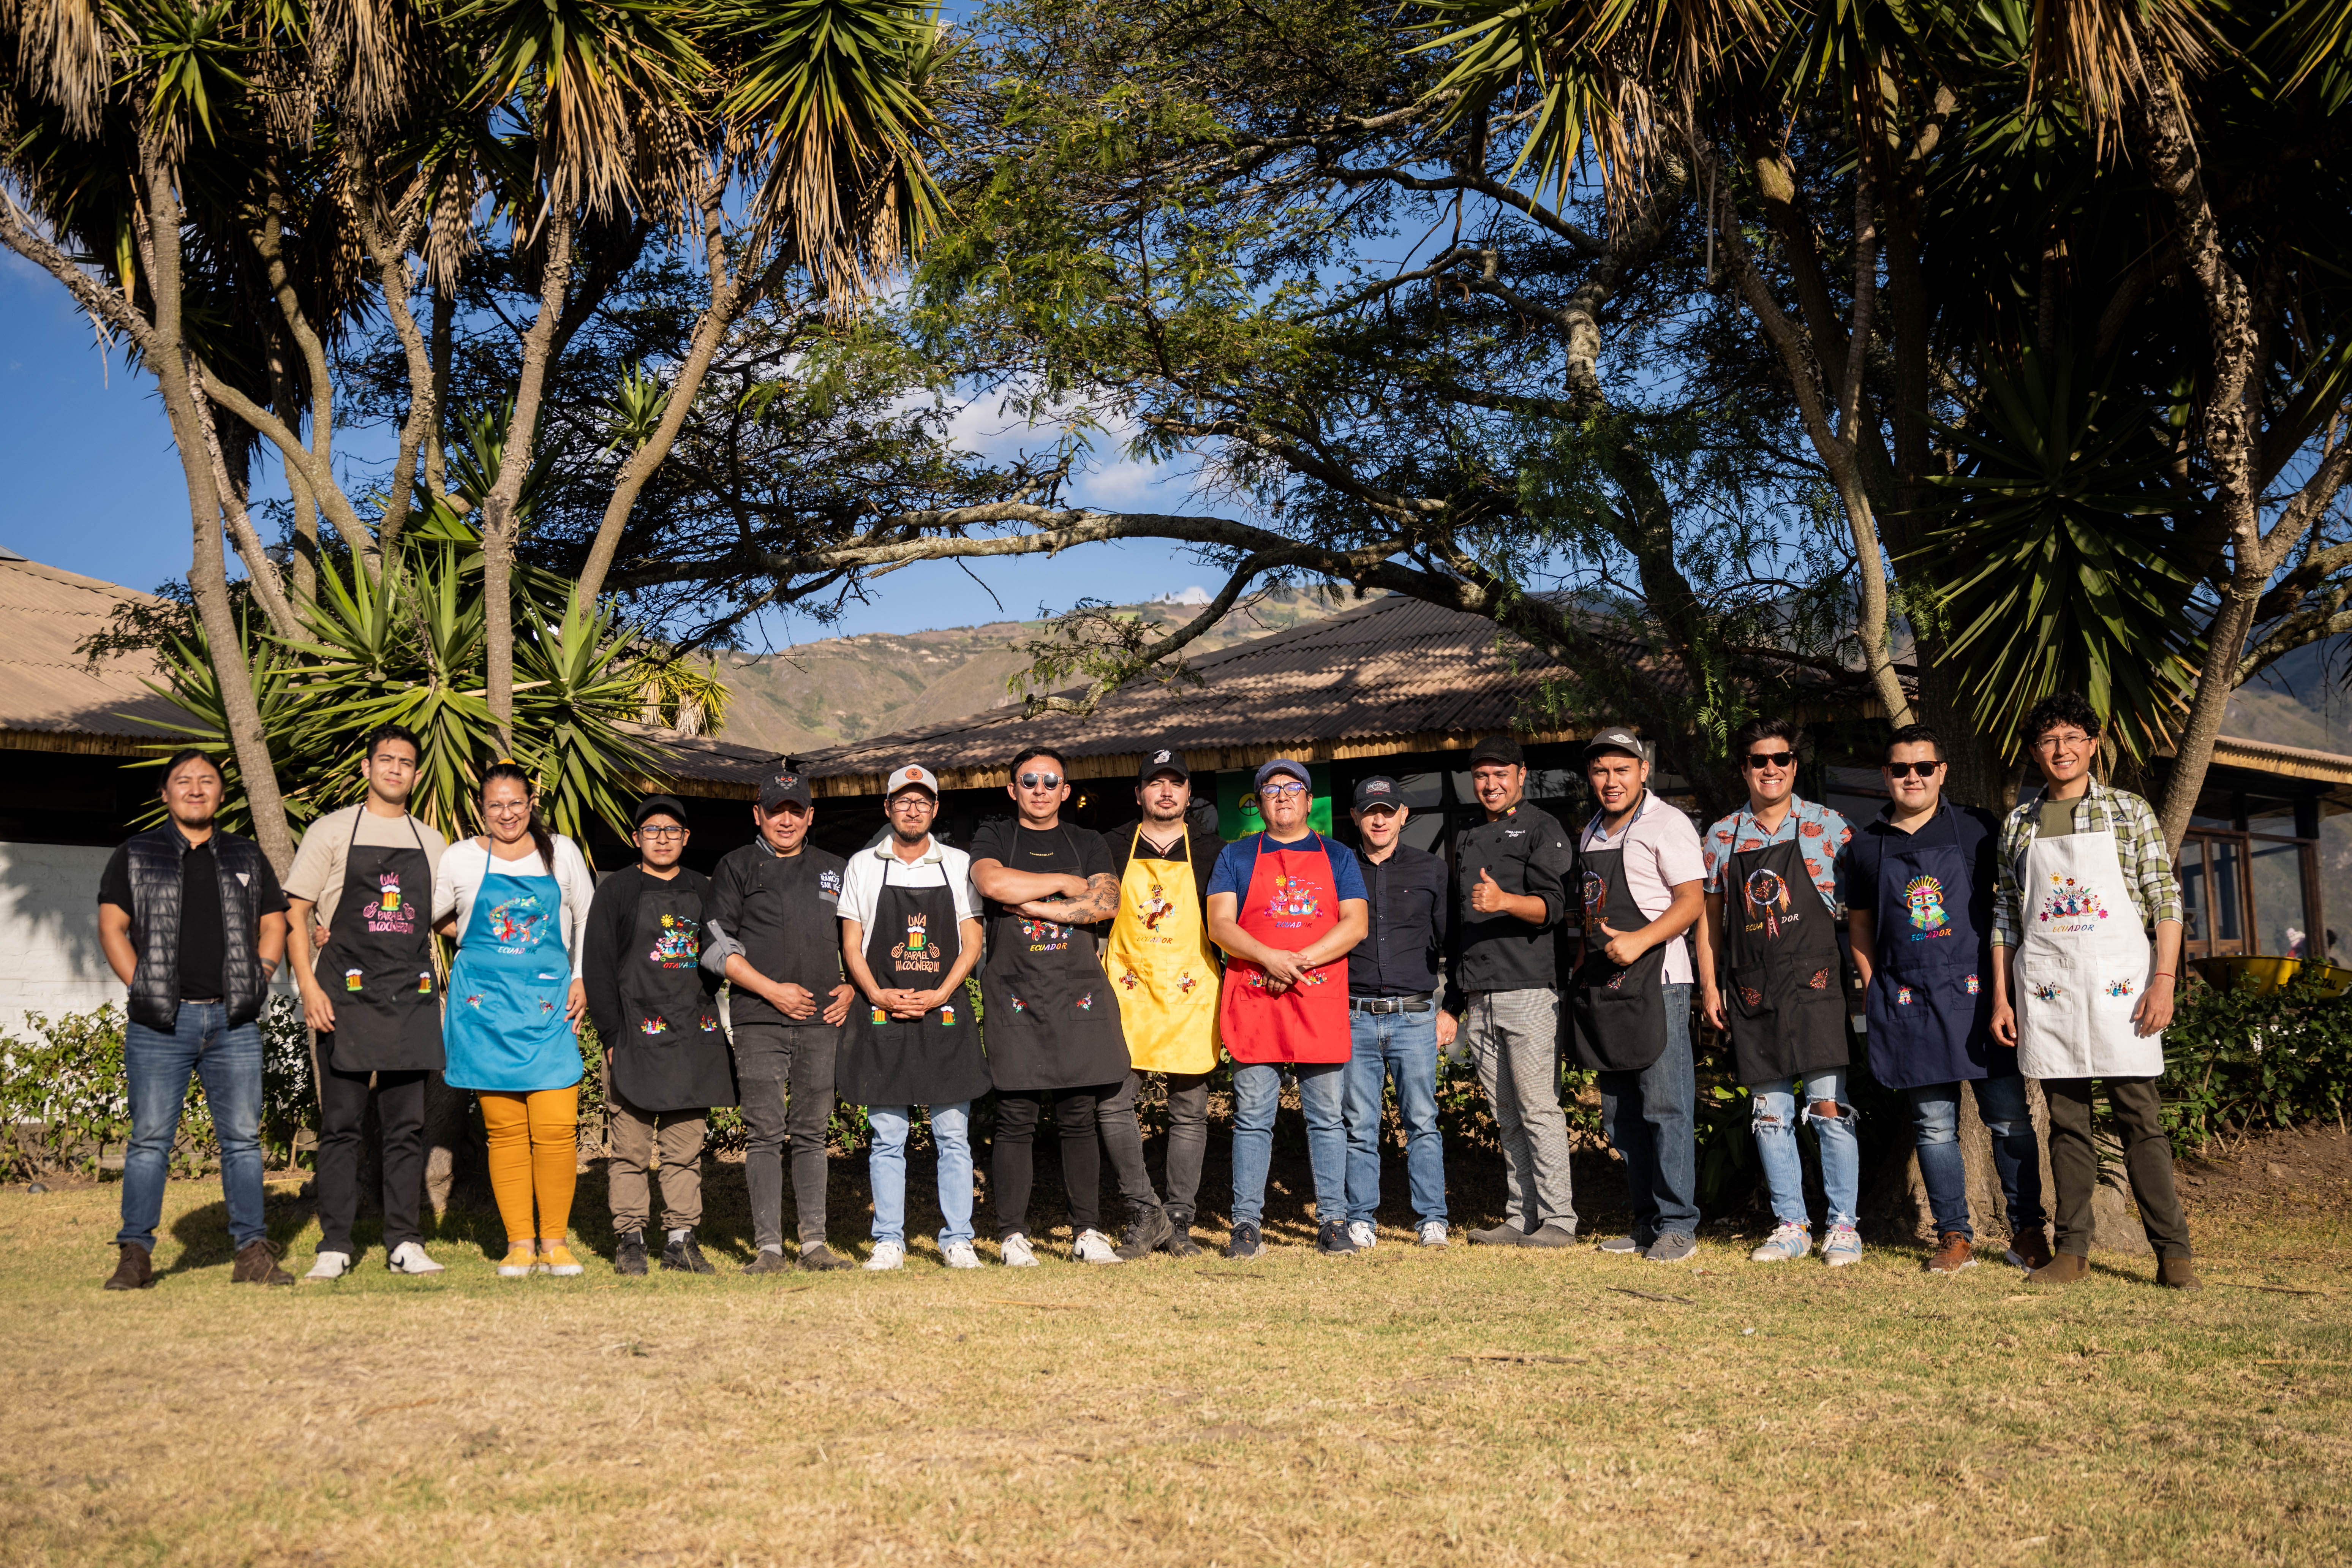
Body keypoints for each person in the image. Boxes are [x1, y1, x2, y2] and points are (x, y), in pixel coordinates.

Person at [1990, 693, 2197, 1288]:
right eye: (2048, 740)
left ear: (2093, 743)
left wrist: (2164, 981)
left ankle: (2174, 1255)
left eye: (2072, 737)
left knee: (2140, 1119)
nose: (2061, 750)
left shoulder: (2128, 811)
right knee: (2066, 1122)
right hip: (2049, 988)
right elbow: (2005, 916)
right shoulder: (2019, 824)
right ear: (2036, 752)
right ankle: (2073, 1253)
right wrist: (2003, 997)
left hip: (2122, 989)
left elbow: (2165, 898)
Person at [1847, 725, 2051, 1274]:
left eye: (1923, 768)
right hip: (1909, 1003)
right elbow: (1860, 927)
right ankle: (1954, 1235)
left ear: (1942, 772)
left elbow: (2010, 906)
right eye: (1900, 769)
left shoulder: (1978, 828)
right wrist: (1874, 986)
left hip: (1981, 998)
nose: (1912, 778)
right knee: (1933, 1126)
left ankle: (2028, 1232)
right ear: (1886, 775)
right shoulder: (1865, 846)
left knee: (2010, 1119)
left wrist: (2009, 990)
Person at [97, 748, 292, 1290]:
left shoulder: (247, 855)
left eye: (207, 780)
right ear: (165, 793)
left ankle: (252, 1254)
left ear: (222, 794)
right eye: (183, 781)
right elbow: (112, 927)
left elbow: (275, 922)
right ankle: (135, 1254)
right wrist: (142, 986)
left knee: (242, 1141)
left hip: (233, 1023)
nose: (196, 788)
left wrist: (262, 973)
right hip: (160, 1025)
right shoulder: (136, 854)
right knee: (150, 1141)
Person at [971, 746, 1165, 1264]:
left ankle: (1087, 1232)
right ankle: (1012, 1235)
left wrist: (1032, 906)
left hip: (1077, 994)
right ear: (1013, 789)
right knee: (1015, 1116)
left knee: (1079, 1115)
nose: (1040, 790)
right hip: (1014, 994)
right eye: (1029, 781)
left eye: (1050, 782)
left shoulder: (1087, 841)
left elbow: (1106, 902)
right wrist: (1061, 886)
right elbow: (992, 882)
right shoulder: (995, 836)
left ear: (1065, 791)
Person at [283, 723, 449, 1280]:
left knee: (406, 1129)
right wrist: (308, 987)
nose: (395, 769)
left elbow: (445, 919)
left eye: (405, 762)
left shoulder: (432, 843)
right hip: (343, 999)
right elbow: (296, 912)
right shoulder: (330, 831)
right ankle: (334, 1244)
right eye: (386, 760)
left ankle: (404, 1242)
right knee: (341, 1126)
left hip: (411, 1000)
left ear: (416, 775)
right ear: (367, 768)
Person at [1697, 718, 1860, 1266]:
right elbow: (1709, 921)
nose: (1771, 769)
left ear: (1795, 764)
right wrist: (1711, 986)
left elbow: (1867, 902)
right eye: (1759, 760)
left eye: (1781, 759)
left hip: (1817, 984)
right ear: (1744, 768)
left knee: (1830, 1109)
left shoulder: (1830, 826)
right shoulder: (1722, 836)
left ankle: (1844, 1227)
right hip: (1752, 988)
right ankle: (1791, 1225)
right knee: (1769, 1114)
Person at [434, 762, 596, 1277]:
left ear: (532, 803)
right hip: (486, 1011)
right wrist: (472, 936)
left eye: (516, 803)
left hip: (550, 1006)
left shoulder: (562, 853)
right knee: (504, 1132)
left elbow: (587, 918)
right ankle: (520, 1244)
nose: (507, 814)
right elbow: (434, 914)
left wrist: (581, 976)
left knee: (556, 1127)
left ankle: (556, 1242)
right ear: (482, 809)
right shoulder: (460, 858)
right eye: (496, 805)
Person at [1207, 758, 1370, 1258]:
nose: (1283, 795)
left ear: (1309, 800)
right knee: (1253, 1118)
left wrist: (1295, 963)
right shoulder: (1236, 855)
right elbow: (1220, 924)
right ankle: (1246, 1225)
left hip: (1317, 999)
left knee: (1327, 1119)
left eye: (1293, 787)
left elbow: (1355, 924)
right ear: (1259, 803)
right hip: (1256, 999)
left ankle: (1334, 1223)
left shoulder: (1339, 855)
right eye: (1272, 789)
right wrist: (1269, 958)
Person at [700, 766, 857, 1272]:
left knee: (812, 1132)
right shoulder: (736, 866)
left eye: (795, 811)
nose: (785, 820)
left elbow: (859, 940)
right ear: (758, 815)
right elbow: (716, 948)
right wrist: (773, 991)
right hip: (759, 1019)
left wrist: (853, 988)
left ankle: (814, 1246)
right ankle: (768, 1250)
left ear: (810, 816)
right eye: (775, 811)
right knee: (764, 1132)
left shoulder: (836, 869)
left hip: (822, 1019)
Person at [836, 764, 992, 1269]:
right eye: (903, 801)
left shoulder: (959, 864)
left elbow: (972, 942)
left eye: (922, 801)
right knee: (887, 1138)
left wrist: (941, 993)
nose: (913, 809)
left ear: (935, 809)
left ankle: (958, 1239)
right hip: (882, 1017)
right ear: (888, 808)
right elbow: (852, 944)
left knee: (953, 1136)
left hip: (944, 1013)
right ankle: (889, 1240)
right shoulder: (863, 865)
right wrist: (878, 994)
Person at [1567, 727, 1706, 1263]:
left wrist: (1640, 940)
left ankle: (1679, 1226)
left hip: (1659, 983)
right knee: (1621, 1115)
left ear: (1644, 771)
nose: (1611, 781)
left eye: (1622, 770)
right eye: (1601, 770)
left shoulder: (1668, 823)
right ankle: (1647, 1223)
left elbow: (1691, 901)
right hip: (1607, 987)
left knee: (1666, 1107)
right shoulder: (1591, 832)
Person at [584, 796, 734, 1276]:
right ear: (636, 838)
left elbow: (725, 954)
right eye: (652, 830)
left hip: (692, 1038)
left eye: (671, 830)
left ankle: (680, 1241)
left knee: (684, 1151)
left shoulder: (705, 889)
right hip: (633, 1036)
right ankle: (630, 1239)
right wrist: (611, 1035)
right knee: (629, 1151)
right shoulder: (617, 890)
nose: (662, 838)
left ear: (686, 838)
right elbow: (597, 968)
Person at [1445, 735, 1579, 1248]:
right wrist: (1455, 1002)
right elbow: (1459, 927)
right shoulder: (1468, 835)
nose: (1491, 784)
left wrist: (1505, 901)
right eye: (1481, 776)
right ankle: (1522, 1216)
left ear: (1521, 775)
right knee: (1506, 1113)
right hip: (1479, 994)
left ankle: (1559, 1220)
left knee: (1538, 1108)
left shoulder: (1543, 828)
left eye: (1500, 774)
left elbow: (1554, 907)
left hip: (1529, 989)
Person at [1099, 748, 1225, 1257]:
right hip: (1128, 993)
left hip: (1192, 994)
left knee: (1190, 1112)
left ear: (1189, 794)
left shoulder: (1215, 851)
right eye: (1156, 783)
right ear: (1139, 794)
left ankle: (1179, 1221)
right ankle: (1143, 1210)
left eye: (1176, 783)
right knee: (1112, 1103)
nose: (1166, 792)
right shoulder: (1109, 846)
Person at [1340, 776, 1454, 1249]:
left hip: (1415, 1016)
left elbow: (1452, 941)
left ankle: (1432, 1219)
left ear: (1404, 815)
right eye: (1370, 812)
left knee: (1422, 1121)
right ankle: (1360, 1218)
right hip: (1354, 1015)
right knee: (1358, 1125)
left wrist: (1454, 1008)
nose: (1379, 820)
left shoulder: (1432, 869)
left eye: (1388, 811)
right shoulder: (1339, 869)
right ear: (1356, 817)